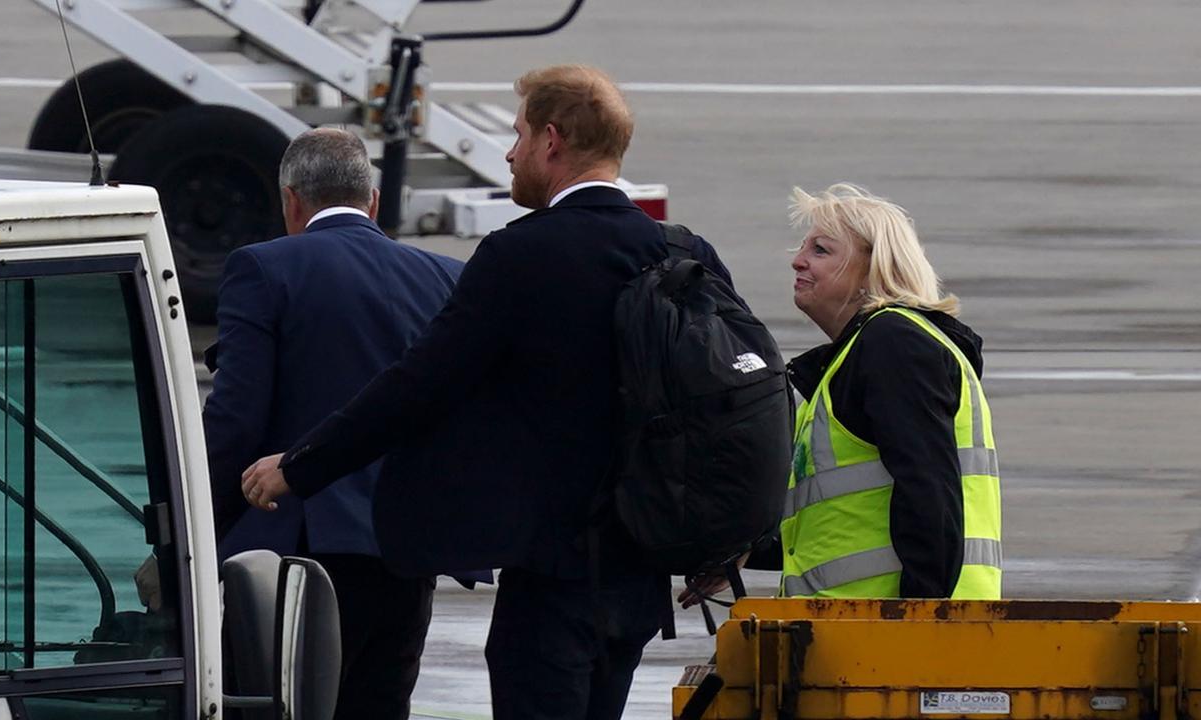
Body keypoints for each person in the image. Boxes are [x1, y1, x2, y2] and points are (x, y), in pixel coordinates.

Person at [239, 64, 739, 719]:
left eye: (519, 134)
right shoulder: (682, 251)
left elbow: (416, 387)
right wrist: (721, 542)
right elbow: (729, 400)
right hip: (640, 581)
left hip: (556, 575)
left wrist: (300, 466)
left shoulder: (521, 255)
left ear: (552, 141)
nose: (510, 152)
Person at [202, 127, 465, 720]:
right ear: (372, 200)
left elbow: (235, 419)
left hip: (302, 554)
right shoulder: (445, 277)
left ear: (290, 201)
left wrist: (194, 529)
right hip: (407, 553)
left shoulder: (263, 268)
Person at [780, 183, 1002, 599]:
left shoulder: (893, 343)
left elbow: (928, 487)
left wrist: (917, 621)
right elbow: (841, 519)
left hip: (893, 630)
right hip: (858, 626)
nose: (797, 261)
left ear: (873, 268)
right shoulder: (853, 357)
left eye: (821, 250)